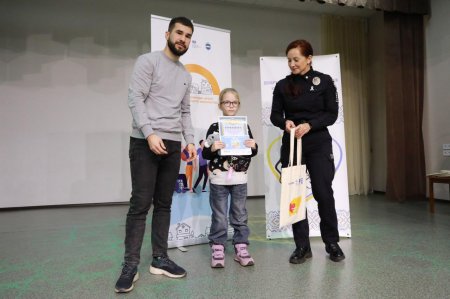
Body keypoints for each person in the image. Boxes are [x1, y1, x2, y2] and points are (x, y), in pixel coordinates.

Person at [115, 16, 197, 293]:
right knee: (140, 204)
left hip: (173, 145)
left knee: (164, 204)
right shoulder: (147, 62)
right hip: (144, 141)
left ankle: (159, 259)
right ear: (167, 33)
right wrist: (149, 133)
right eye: (179, 33)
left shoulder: (185, 74)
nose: (182, 39)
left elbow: (185, 111)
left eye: (187, 36)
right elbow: (135, 98)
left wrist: (190, 141)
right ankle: (130, 265)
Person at [270, 39, 345, 264]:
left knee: (324, 192)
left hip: (318, 143)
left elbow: (332, 114)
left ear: (309, 58)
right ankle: (302, 246)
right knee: (295, 195)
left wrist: (310, 125)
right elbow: (275, 115)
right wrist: (286, 123)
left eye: (296, 59)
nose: (292, 64)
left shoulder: (324, 81)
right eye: (289, 60)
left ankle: (332, 242)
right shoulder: (282, 85)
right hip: (293, 144)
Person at [202, 88, 258, 268]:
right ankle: (218, 246)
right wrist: (211, 148)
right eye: (227, 102)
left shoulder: (244, 126)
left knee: (240, 214)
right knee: (219, 215)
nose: (231, 105)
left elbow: (251, 152)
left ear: (239, 104)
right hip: (219, 178)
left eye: (234, 102)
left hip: (240, 178)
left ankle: (241, 246)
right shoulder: (213, 127)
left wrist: (253, 146)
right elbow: (205, 154)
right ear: (220, 105)